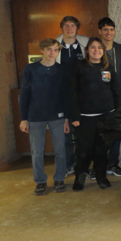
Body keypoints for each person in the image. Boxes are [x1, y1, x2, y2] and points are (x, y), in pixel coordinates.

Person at [69, 37, 121, 191]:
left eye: (99, 47)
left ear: (103, 51)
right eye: (93, 47)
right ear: (87, 50)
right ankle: (80, 178)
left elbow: (116, 91)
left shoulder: (109, 68)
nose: (96, 50)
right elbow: (71, 93)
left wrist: (117, 114)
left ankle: (101, 177)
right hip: (84, 118)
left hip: (106, 116)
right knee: (83, 150)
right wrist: (75, 116)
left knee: (102, 150)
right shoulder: (78, 67)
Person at [20, 39, 70, 195]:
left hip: (58, 116)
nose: (52, 53)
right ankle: (40, 181)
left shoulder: (62, 70)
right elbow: (25, 94)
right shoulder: (30, 69)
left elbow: (65, 96)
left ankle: (59, 178)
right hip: (35, 116)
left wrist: (67, 118)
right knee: (37, 152)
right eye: (49, 49)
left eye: (56, 50)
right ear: (42, 50)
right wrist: (24, 118)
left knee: (61, 150)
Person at [56, 15, 89, 177]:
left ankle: (83, 167)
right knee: (65, 134)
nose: (70, 29)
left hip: (83, 96)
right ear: (62, 28)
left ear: (77, 28)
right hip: (62, 96)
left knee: (83, 134)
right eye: (66, 26)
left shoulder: (84, 43)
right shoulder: (55, 45)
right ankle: (68, 165)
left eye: (72, 26)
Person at [98, 17, 121, 177]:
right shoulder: (95, 48)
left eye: (111, 29)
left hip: (118, 98)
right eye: (105, 29)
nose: (108, 32)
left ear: (114, 31)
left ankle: (113, 164)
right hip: (100, 98)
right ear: (100, 32)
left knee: (117, 131)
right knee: (102, 134)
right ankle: (100, 166)